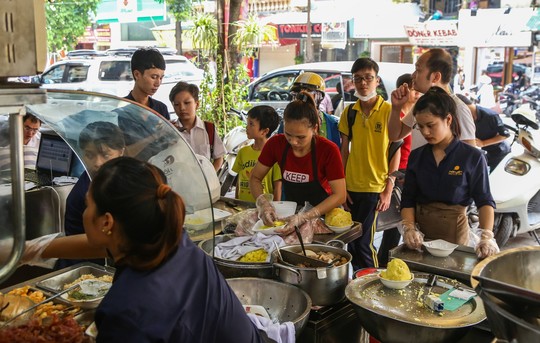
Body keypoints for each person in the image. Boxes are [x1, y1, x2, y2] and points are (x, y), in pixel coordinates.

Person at [36, 157, 265, 342]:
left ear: (107, 222)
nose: (84, 213)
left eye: (88, 205)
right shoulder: (174, 241)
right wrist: (31, 250)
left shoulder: (125, 312)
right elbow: (98, 246)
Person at [398, 87, 499, 259]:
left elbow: (484, 201)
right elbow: (408, 199)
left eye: (431, 125)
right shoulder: (417, 157)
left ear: (448, 119)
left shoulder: (472, 157)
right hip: (419, 240)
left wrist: (487, 236)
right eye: (420, 126)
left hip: (455, 237)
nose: (425, 132)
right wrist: (409, 228)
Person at [250, 91, 346, 235]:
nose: (294, 142)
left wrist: (305, 216)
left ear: (314, 129)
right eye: (288, 134)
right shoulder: (276, 144)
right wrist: (263, 204)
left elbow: (340, 195)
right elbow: (255, 178)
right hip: (290, 217)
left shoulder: (328, 150)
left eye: (301, 137)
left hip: (323, 218)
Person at [338, 57, 400, 270]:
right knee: (351, 242)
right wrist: (342, 186)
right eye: (358, 79)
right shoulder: (349, 112)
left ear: (377, 80)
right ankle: (355, 285)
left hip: (375, 187)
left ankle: (372, 283)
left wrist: (388, 188)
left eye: (368, 78)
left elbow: (396, 150)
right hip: (351, 187)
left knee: (364, 242)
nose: (363, 83)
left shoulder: (389, 111)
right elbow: (343, 151)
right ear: (352, 82)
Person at [56, 121, 126, 269]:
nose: (97, 163)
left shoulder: (124, 178)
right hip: (89, 266)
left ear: (121, 152)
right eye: (89, 155)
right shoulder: (83, 194)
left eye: (105, 155)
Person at [389, 48, 477, 148]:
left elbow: (470, 157)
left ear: (435, 77)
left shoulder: (458, 109)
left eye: (418, 70)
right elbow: (395, 135)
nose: (413, 75)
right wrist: (396, 108)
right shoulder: (422, 104)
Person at [377, 73, 418, 267]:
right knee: (393, 227)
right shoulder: (398, 117)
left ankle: (390, 264)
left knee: (400, 227)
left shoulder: (416, 115)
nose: (418, 94)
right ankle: (384, 266)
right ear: (404, 88)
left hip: (411, 175)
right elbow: (390, 150)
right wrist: (389, 183)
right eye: (415, 90)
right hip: (398, 176)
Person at [169, 81, 226, 171]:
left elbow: (219, 157)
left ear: (197, 104)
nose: (182, 108)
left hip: (205, 183)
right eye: (176, 104)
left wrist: (210, 177)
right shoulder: (170, 130)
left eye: (187, 103)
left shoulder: (208, 128)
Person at [278, 72, 341, 148]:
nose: (302, 98)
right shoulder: (287, 121)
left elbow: (335, 151)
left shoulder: (331, 123)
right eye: (296, 94)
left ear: (319, 97)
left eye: (307, 94)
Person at [232, 105, 281, 202]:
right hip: (243, 206)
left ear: (265, 131)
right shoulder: (243, 152)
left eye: (251, 124)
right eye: (247, 123)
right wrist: (237, 203)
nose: (247, 127)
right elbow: (239, 181)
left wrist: (276, 209)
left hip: (264, 209)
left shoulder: (274, 155)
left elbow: (277, 187)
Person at [456, 94, 511, 171]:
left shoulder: (490, 115)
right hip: (483, 152)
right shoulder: (464, 117)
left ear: (462, 107)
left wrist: (483, 143)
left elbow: (505, 135)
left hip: (499, 151)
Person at [124, 47, 170, 120]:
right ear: (137, 75)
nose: (158, 83)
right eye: (154, 77)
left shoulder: (161, 109)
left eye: (161, 78)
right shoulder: (121, 110)